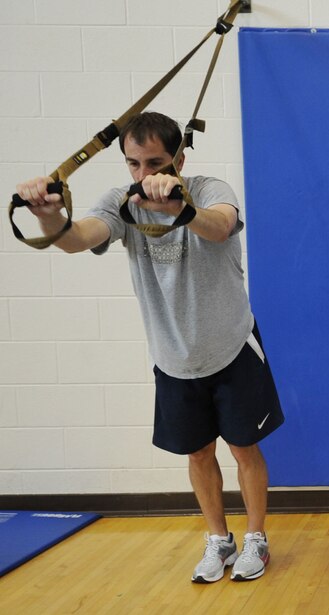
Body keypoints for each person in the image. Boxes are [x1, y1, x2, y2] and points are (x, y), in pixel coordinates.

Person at [15, 112, 285, 583]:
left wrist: (179, 208)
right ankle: (218, 540)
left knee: (244, 449)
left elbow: (221, 226)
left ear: (179, 159)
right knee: (197, 453)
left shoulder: (210, 189)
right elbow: (79, 238)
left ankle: (256, 539)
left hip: (232, 348)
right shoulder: (122, 203)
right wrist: (49, 215)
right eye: (134, 163)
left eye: (155, 163)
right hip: (173, 357)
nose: (143, 174)